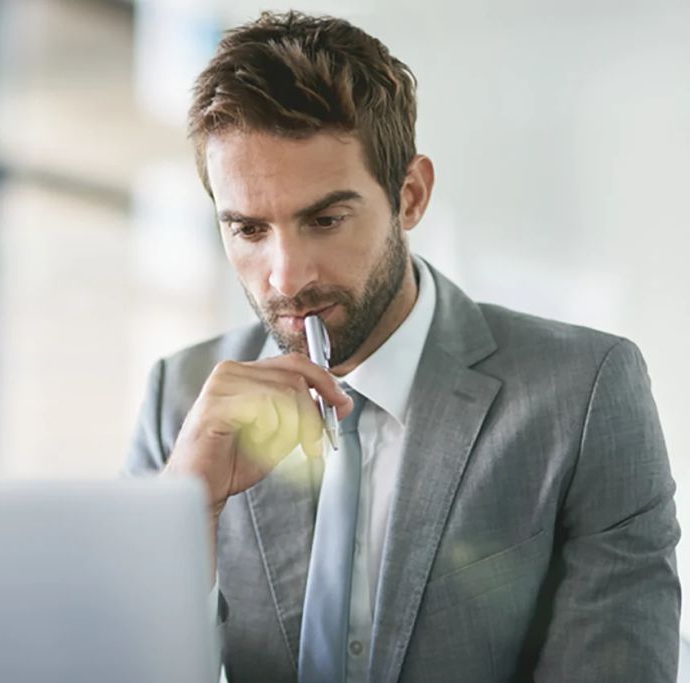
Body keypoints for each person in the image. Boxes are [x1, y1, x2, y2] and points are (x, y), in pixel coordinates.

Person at [124, 10, 680, 683]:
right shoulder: (178, 399)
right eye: (248, 230)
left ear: (410, 196)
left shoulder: (583, 395)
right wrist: (186, 516)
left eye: (325, 219)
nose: (286, 277)